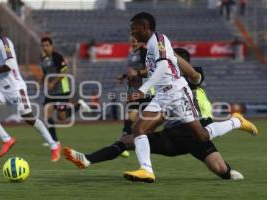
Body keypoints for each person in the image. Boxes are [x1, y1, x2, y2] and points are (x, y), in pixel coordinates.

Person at [62, 48, 249, 181]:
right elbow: (156, 103)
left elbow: (190, 77)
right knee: (128, 139)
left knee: (222, 171)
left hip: (195, 133)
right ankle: (87, 159)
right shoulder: (164, 84)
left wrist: (167, 59)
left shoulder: (192, 75)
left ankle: (234, 131)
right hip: (172, 137)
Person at [122, 12, 257, 182]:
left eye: (134, 29)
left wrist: (142, 90)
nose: (132, 33)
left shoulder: (158, 40)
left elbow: (163, 67)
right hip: (165, 94)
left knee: (197, 135)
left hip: (176, 93)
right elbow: (161, 68)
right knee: (143, 130)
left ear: (144, 27)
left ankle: (236, 121)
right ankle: (146, 170)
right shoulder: (150, 46)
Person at [0, 19, 61, 162]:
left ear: (0, 30)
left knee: (28, 118)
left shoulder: (4, 42)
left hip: (16, 87)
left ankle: (54, 145)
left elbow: (9, 65)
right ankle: (7, 140)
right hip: (1, 88)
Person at [40, 37, 90, 146]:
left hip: (62, 91)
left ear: (52, 46)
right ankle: (54, 141)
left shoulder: (57, 57)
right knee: (46, 116)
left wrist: (53, 82)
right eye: (43, 45)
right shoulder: (43, 60)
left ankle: (79, 106)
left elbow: (64, 71)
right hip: (51, 93)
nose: (45, 47)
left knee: (61, 117)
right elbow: (46, 73)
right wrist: (42, 81)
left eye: (47, 45)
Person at [116, 36, 150, 157]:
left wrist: (137, 73)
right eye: (132, 39)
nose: (134, 41)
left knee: (144, 121)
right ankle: (123, 142)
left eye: (136, 39)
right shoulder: (131, 53)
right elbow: (133, 70)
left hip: (144, 89)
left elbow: (150, 68)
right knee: (130, 117)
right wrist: (124, 76)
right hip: (133, 89)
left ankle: (128, 142)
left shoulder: (144, 52)